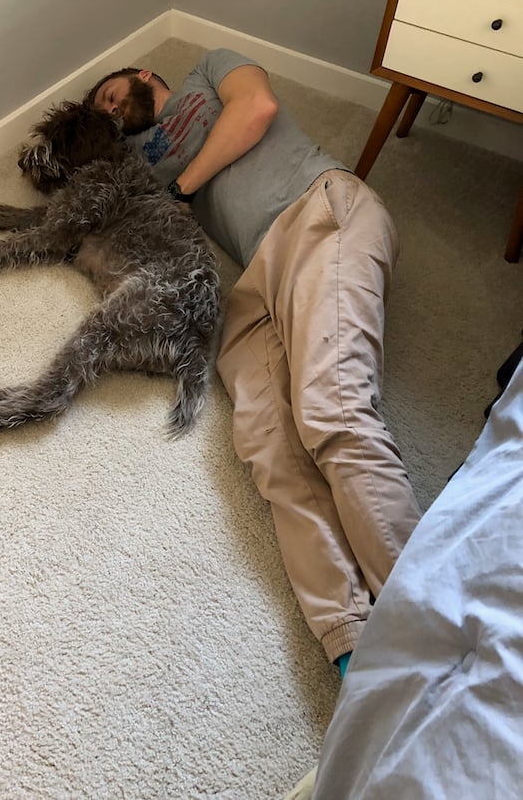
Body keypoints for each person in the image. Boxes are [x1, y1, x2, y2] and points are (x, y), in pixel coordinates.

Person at [87, 49, 422, 674]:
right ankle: (353, 645)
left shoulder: (210, 69)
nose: (108, 108)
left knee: (333, 410)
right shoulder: (138, 159)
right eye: (102, 113)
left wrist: (182, 189)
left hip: (320, 214)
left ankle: (434, 633)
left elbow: (257, 109)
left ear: (138, 72)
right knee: (274, 451)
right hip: (250, 281)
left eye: (108, 92)